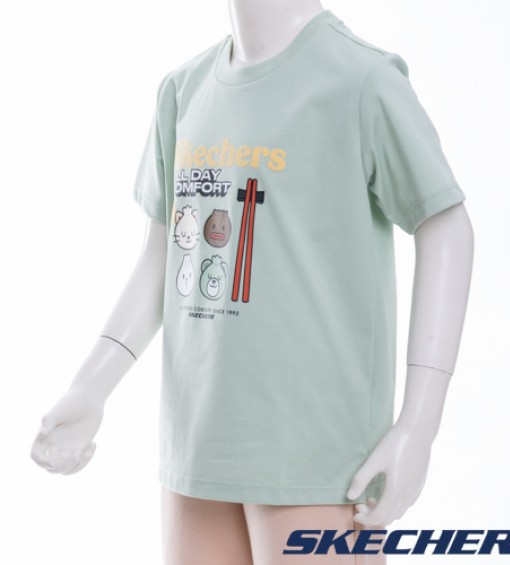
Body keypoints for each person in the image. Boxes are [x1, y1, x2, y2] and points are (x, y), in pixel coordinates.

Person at [30, 0, 474, 563]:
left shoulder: (362, 81)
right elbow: (161, 257)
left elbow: (446, 225)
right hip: (196, 451)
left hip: (316, 458)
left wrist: (419, 424)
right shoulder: (182, 91)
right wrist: (91, 386)